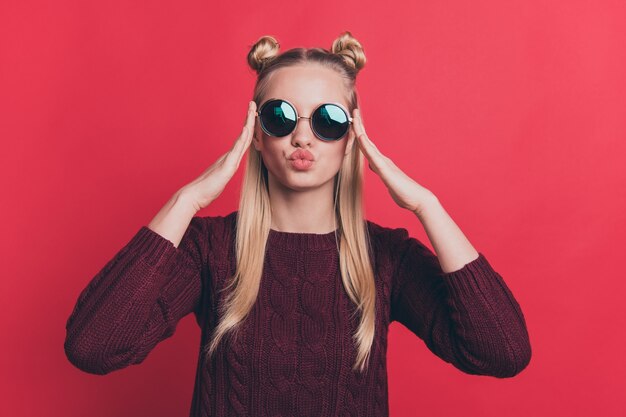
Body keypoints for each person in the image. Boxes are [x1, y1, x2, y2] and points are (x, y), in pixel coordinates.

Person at [64, 31, 532, 417]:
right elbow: (93, 346)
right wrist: (186, 200)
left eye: (328, 120)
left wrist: (427, 206)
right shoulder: (209, 249)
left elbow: (501, 352)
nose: (302, 136)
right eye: (280, 117)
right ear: (256, 136)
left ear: (351, 137)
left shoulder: (385, 257)